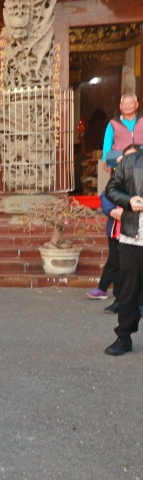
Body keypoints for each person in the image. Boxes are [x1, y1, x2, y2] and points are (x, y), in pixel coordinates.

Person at [103, 140, 143, 355]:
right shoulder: (129, 161)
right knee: (128, 292)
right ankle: (123, 337)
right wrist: (128, 201)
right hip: (133, 237)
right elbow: (111, 189)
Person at [90, 144, 140, 307]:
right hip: (117, 230)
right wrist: (112, 211)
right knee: (116, 263)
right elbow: (106, 195)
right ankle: (117, 298)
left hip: (136, 231)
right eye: (128, 157)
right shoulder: (118, 175)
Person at [101, 94, 141, 169]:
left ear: (137, 105)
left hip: (140, 160)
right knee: (119, 179)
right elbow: (107, 143)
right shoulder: (113, 123)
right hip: (119, 161)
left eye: (131, 103)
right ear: (120, 106)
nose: (127, 106)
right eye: (125, 104)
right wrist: (106, 160)